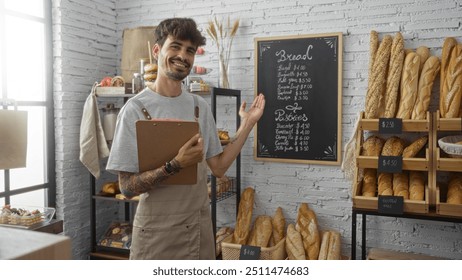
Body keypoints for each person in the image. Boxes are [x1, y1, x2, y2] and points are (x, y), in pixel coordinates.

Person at [106, 17, 265, 260]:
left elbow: (219, 168)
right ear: (157, 50)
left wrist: (248, 124)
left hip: (198, 227)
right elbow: (127, 188)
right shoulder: (135, 109)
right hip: (155, 231)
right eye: (175, 46)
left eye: (190, 51)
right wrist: (175, 165)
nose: (183, 55)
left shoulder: (199, 106)